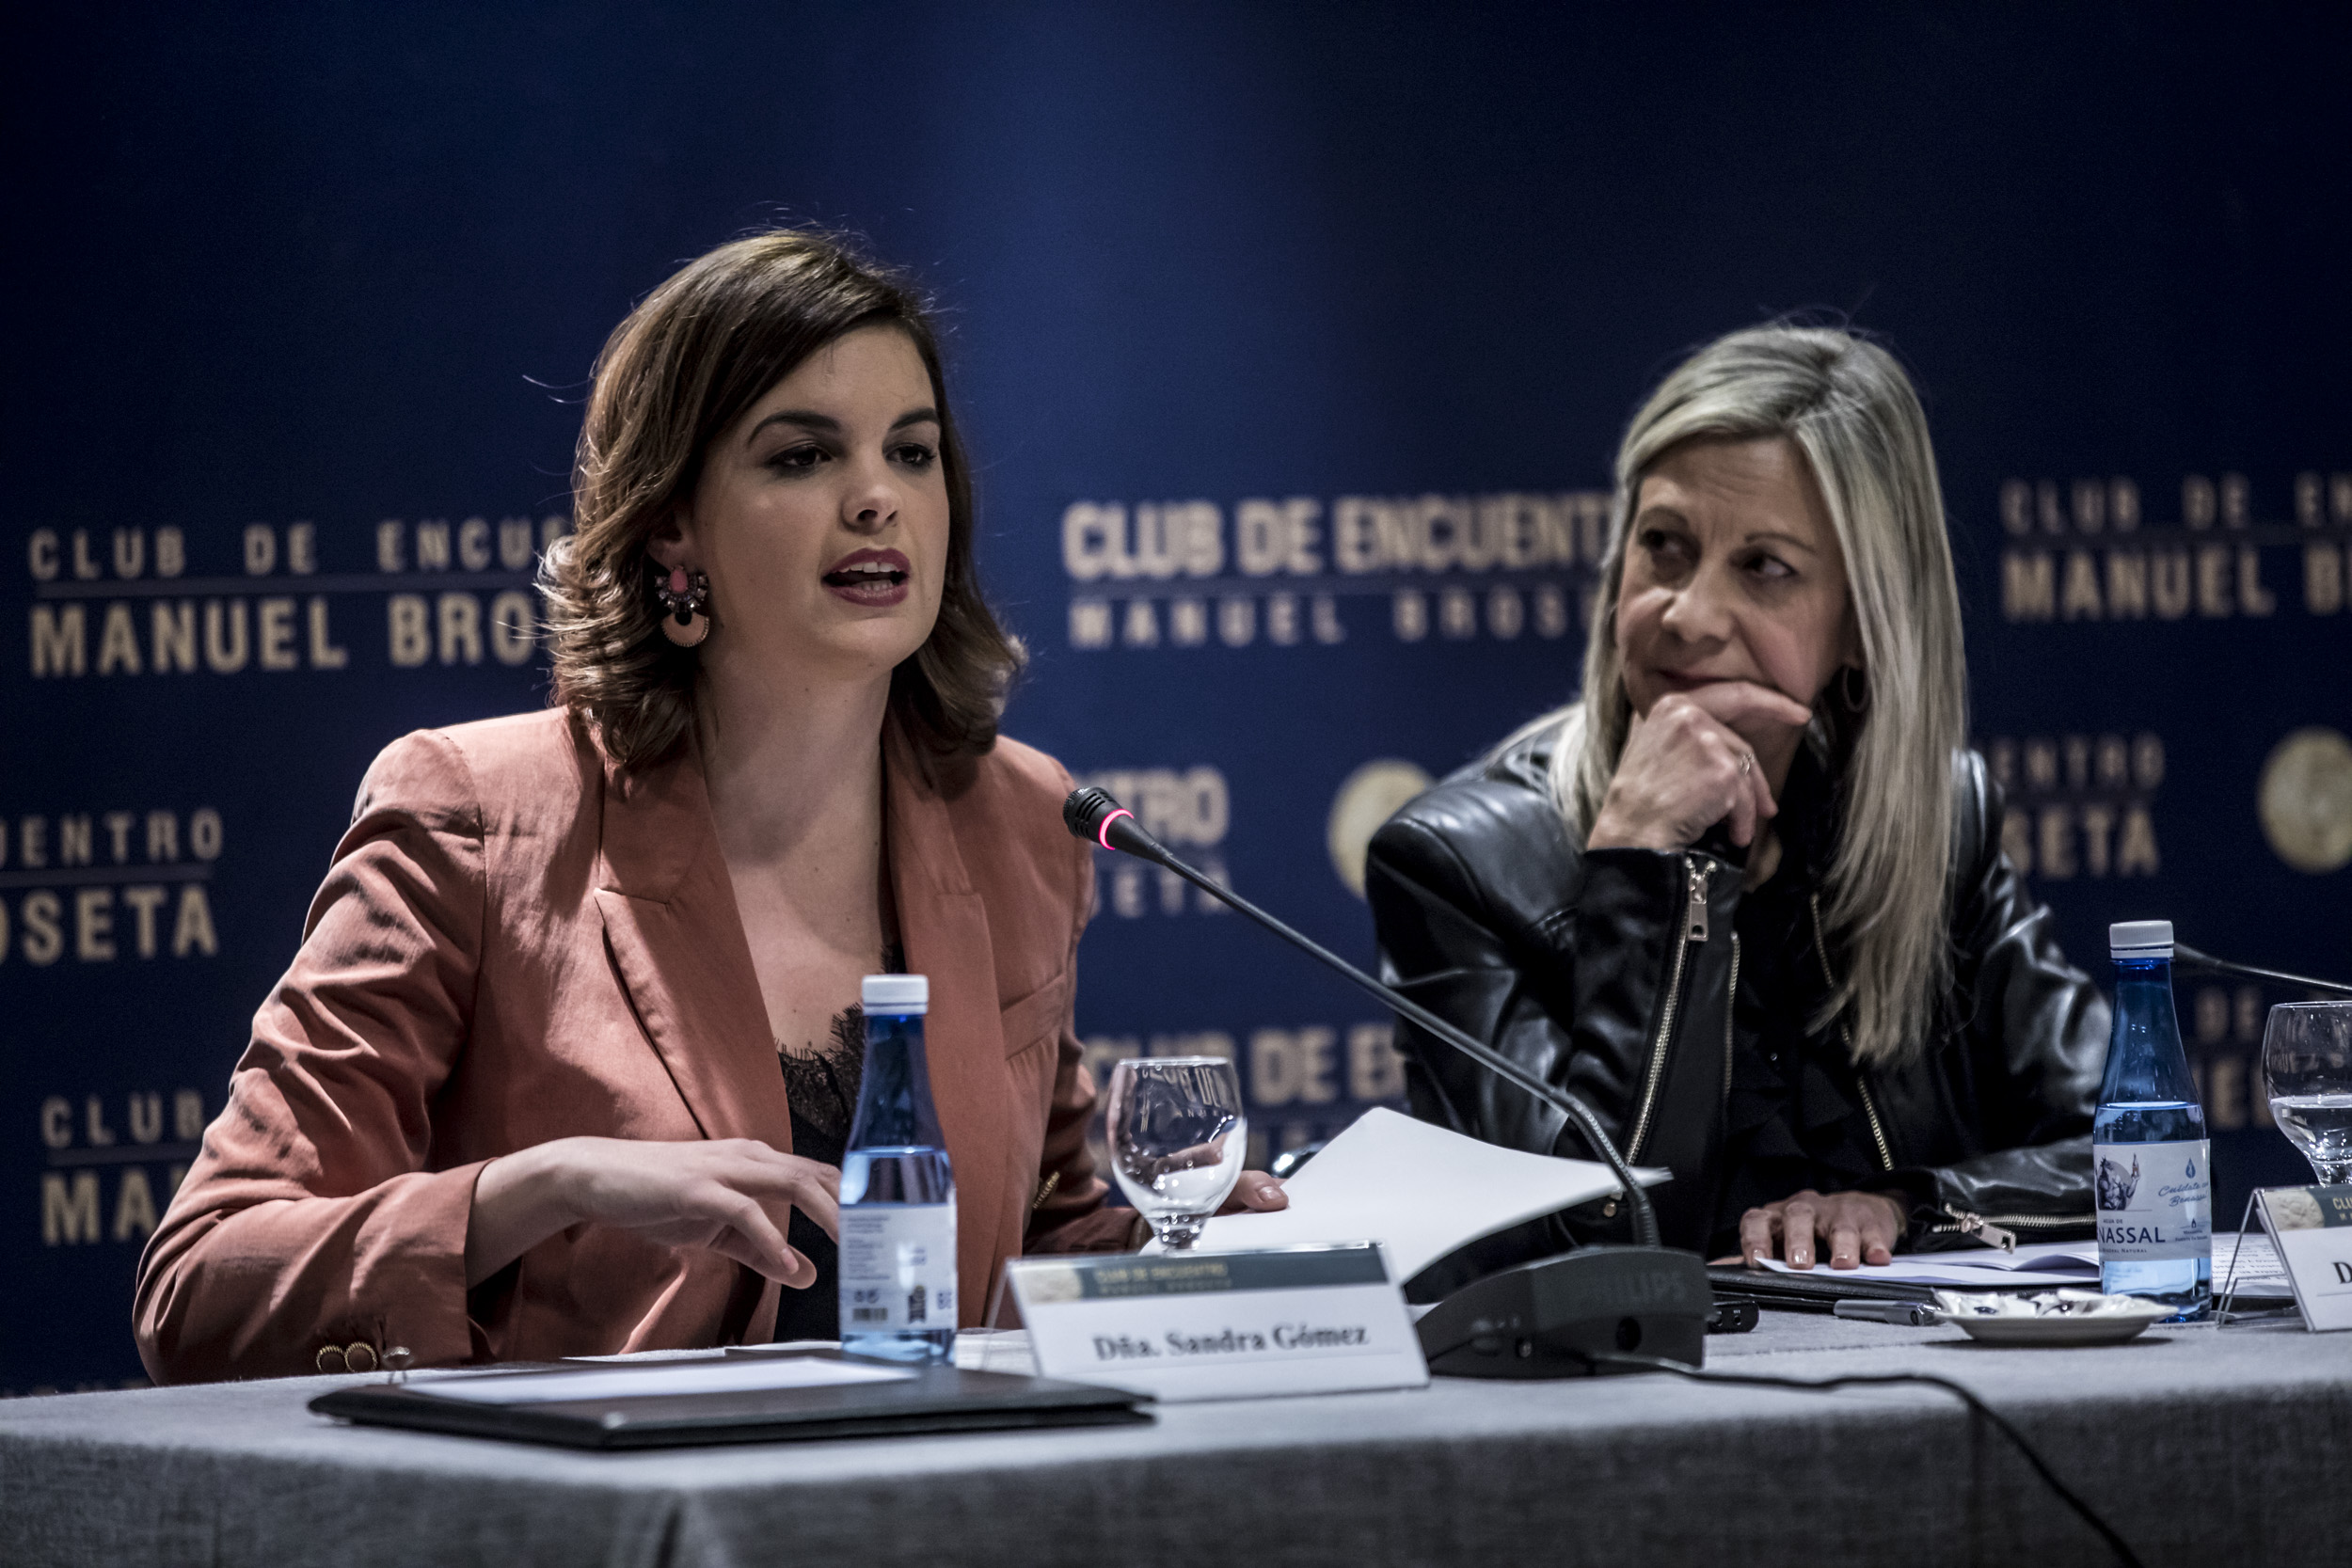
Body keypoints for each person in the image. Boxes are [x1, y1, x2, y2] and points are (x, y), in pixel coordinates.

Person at [134, 230, 1281, 1382]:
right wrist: (541, 1186)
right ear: (672, 522)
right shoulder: (475, 818)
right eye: (802, 456)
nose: (877, 498)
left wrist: (1192, 1246)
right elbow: (201, 1283)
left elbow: (1031, 1244)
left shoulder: (1018, 819)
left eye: (912, 451)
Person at [1366, 325, 2103, 1271]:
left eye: (1764, 567)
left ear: (1865, 623)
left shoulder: (1942, 825)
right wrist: (1642, 868)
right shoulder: (1456, 866)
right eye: (1663, 546)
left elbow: (2140, 1153)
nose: (1688, 614)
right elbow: (1597, 1240)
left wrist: (1907, 1206)